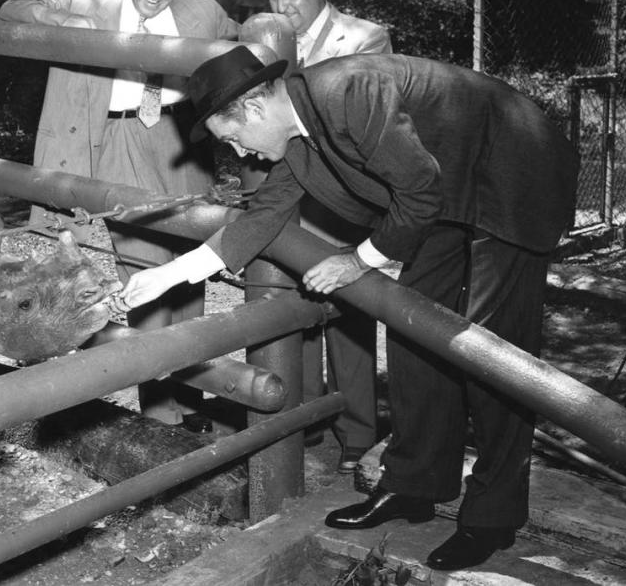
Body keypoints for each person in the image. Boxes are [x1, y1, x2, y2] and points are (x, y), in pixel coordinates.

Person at [112, 46, 578, 571]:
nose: (240, 154)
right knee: (413, 328)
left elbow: (419, 188)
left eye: (233, 139)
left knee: (490, 349)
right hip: (448, 189)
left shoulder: (349, 91)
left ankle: (493, 516)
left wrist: (357, 261)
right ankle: (415, 483)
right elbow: (262, 218)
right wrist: (165, 277)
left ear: (254, 110)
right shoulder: (296, 138)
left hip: (514, 171)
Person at [0, 0, 239, 431]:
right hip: (117, 139)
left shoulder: (204, 13)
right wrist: (65, 21)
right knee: (142, 262)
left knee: (189, 264)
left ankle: (193, 396)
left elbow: (249, 38)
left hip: (181, 143)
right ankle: (160, 407)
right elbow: (9, 12)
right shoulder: (87, 3)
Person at [261, 0, 392, 473]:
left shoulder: (365, 38)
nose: (282, 7)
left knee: (349, 310)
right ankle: (308, 416)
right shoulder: (266, 40)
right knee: (291, 303)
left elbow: (364, 128)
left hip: (340, 196)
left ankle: (358, 430)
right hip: (285, 189)